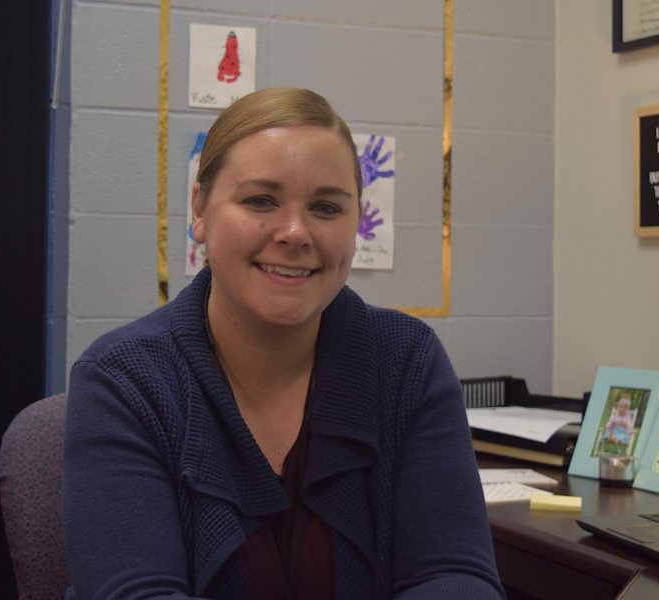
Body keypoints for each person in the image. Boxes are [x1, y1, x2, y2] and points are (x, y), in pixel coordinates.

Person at [62, 87, 504, 599]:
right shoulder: (123, 381)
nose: (295, 232)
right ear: (199, 210)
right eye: (260, 201)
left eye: (325, 207)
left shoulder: (406, 362)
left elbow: (456, 578)